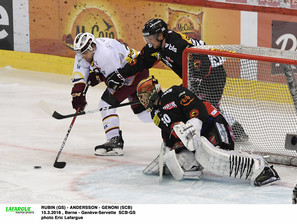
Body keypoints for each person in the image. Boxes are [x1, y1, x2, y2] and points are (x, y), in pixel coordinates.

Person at [105, 18, 248, 142]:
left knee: (204, 105)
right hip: (197, 76)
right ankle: (236, 132)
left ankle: (226, 134)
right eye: (146, 39)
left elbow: (202, 61)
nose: (148, 42)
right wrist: (120, 74)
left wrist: (193, 85)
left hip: (213, 74)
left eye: (150, 39)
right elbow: (141, 61)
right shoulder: (156, 46)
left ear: (160, 35)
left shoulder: (176, 45)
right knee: (204, 105)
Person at [137, 76, 280, 186]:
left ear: (152, 91)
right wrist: (168, 150)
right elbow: (168, 132)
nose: (142, 100)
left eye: (143, 95)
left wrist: (193, 125)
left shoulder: (174, 92)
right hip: (197, 135)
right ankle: (193, 166)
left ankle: (260, 167)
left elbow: (196, 109)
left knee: (222, 153)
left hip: (211, 122)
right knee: (190, 160)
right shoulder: (155, 114)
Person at [71, 32, 152, 156]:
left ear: (92, 47)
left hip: (135, 74)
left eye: (85, 53)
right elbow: (81, 73)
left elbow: (115, 81)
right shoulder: (84, 51)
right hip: (128, 74)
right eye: (80, 53)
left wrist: (96, 77)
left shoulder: (105, 54)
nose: (83, 56)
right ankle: (172, 119)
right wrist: (78, 94)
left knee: (106, 104)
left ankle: (115, 142)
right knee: (143, 113)